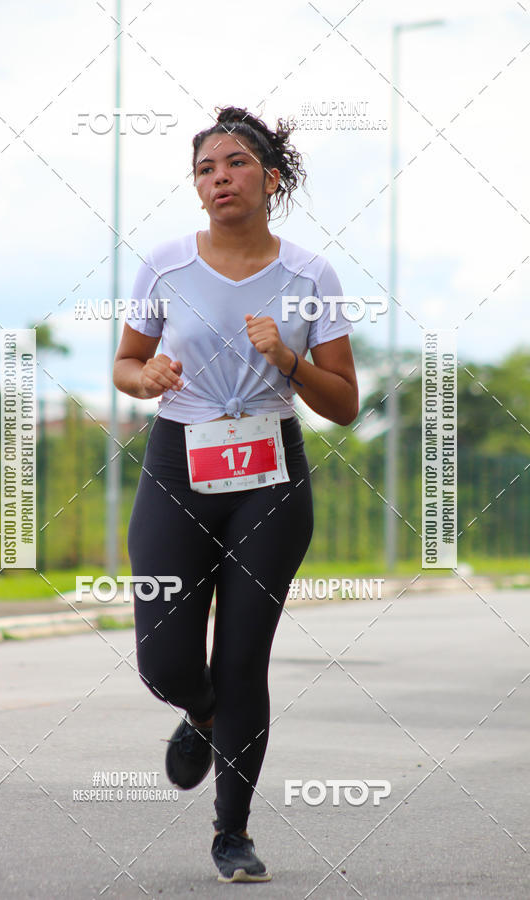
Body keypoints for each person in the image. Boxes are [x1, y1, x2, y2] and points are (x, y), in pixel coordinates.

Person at [113, 105, 358, 884]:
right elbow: (125, 363)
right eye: (206, 169)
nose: (220, 178)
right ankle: (200, 712)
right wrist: (142, 378)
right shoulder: (164, 265)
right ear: (198, 188)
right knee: (164, 659)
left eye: (236, 164)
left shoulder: (310, 274)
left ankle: (232, 835)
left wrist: (287, 358)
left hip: (270, 475)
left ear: (271, 178)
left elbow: (345, 401)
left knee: (244, 657)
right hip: (180, 460)